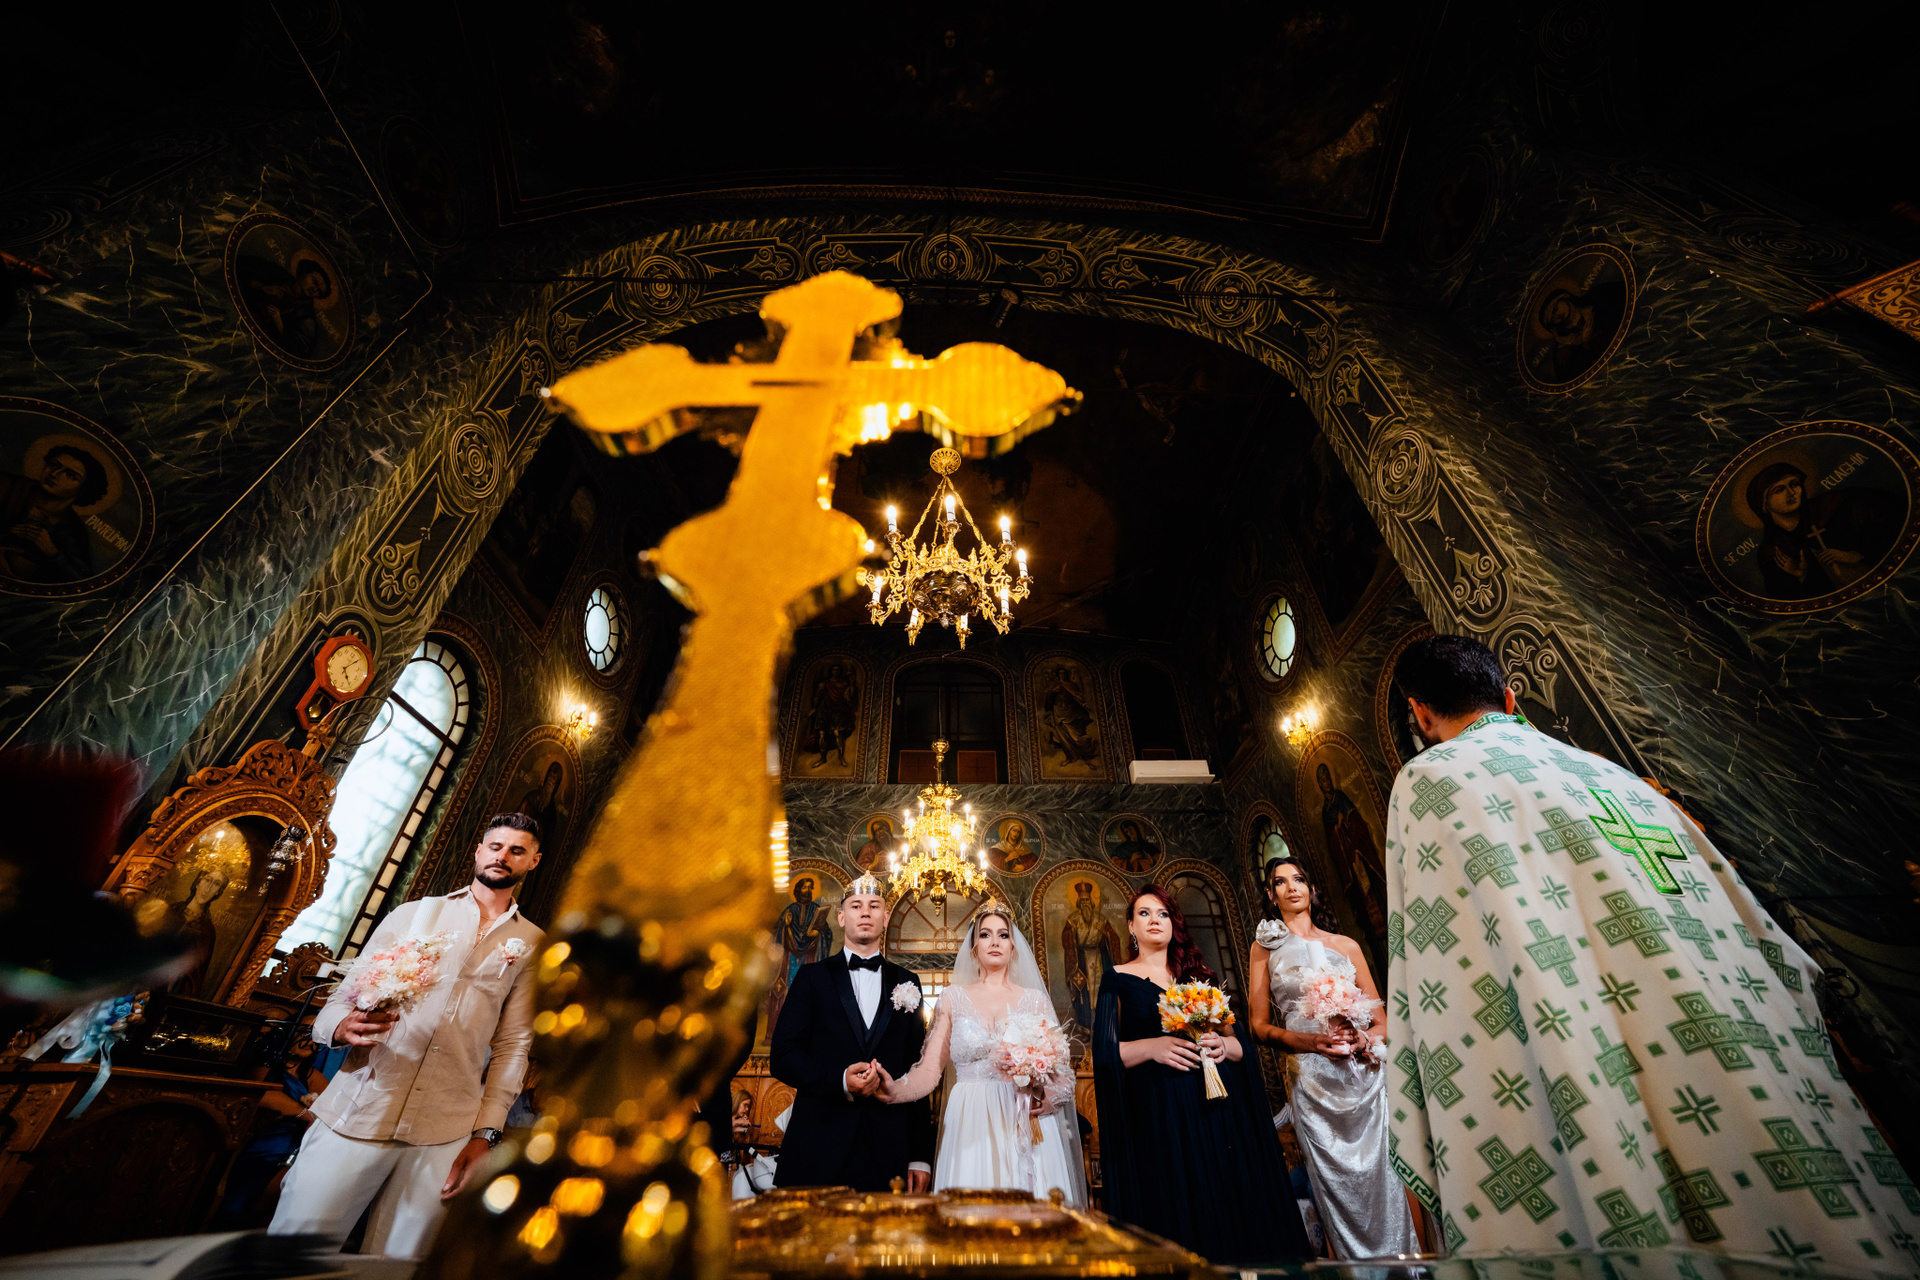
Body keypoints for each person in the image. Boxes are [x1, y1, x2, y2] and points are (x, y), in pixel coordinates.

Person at [1385, 634, 1913, 1264]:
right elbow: (1745, 917)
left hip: (1598, 1044)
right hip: (1738, 1030)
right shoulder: (1613, 775)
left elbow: (1446, 958)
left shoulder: (1430, 780)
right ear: (1510, 696)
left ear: (1420, 713)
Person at [269, 814, 547, 1258]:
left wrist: (486, 1134)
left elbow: (515, 1044)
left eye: (517, 850)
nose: (503, 856)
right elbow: (342, 997)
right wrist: (340, 1026)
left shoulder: (532, 943)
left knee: (404, 1263)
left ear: (533, 861)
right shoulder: (416, 913)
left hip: (447, 1127)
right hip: (361, 1109)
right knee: (293, 1251)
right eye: (495, 846)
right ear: (478, 851)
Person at [1092, 885, 1309, 1264]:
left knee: (1222, 1203)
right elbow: (1106, 1052)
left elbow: (1239, 1044)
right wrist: (1152, 1047)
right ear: (1130, 926)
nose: (1154, 920)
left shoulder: (1197, 980)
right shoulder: (1117, 978)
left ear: (1173, 923)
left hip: (1213, 1112)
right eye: (1144, 913)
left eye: (1162, 914)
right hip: (1160, 1117)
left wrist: (1224, 1045)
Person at [1248, 857, 1420, 1259]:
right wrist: (1307, 1042)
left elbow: (1384, 1023)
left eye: (1299, 879)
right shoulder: (1264, 948)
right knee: (1333, 1184)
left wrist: (1361, 1039)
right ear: (1271, 895)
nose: (1292, 887)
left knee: (1387, 1173)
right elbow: (1258, 1026)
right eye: (1280, 882)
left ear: (1311, 889)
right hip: (1313, 1080)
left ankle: (1410, 1263)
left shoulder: (1346, 945)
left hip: (1363, 1077)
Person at [876, 903, 1088, 1205]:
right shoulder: (953, 998)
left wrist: (1046, 1097)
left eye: (1003, 935)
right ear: (974, 947)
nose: (994, 941)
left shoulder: (1035, 1000)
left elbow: (1062, 1074)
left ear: (1013, 946)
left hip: (1021, 1115)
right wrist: (894, 1090)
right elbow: (929, 1071)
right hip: (971, 1117)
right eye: (985, 934)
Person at [769, 872, 934, 1192]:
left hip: (887, 1148)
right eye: (856, 906)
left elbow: (917, 1070)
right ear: (842, 917)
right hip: (818, 1144)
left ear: (886, 917)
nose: (865, 912)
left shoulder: (908, 982)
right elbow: (783, 1056)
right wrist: (841, 1080)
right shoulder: (811, 977)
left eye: (874, 906)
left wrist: (919, 1156)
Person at [0, 443, 107, 583]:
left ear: (83, 490)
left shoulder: (73, 531)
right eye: (54, 465)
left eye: (70, 475)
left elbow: (82, 580)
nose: (54, 474)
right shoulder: (7, 485)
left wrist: (53, 552)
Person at [1060, 879, 1121, 1031]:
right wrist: (1071, 933)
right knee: (1083, 993)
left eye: (1087, 900)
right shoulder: (1073, 920)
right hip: (1081, 960)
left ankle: (1103, 1027)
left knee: (1102, 992)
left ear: (1091, 902)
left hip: (1099, 958)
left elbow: (1114, 938)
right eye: (1082, 901)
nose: (1085, 903)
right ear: (1078, 902)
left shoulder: (1101, 919)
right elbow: (1066, 941)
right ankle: (1085, 1027)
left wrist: (1104, 932)